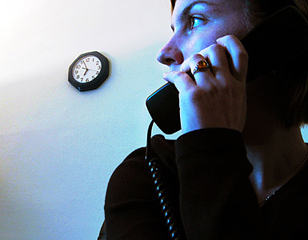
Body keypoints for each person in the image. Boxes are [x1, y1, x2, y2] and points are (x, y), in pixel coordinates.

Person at [104, 0, 308, 239]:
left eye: (195, 20)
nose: (164, 53)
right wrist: (209, 144)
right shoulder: (148, 172)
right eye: (173, 29)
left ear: (278, 36)